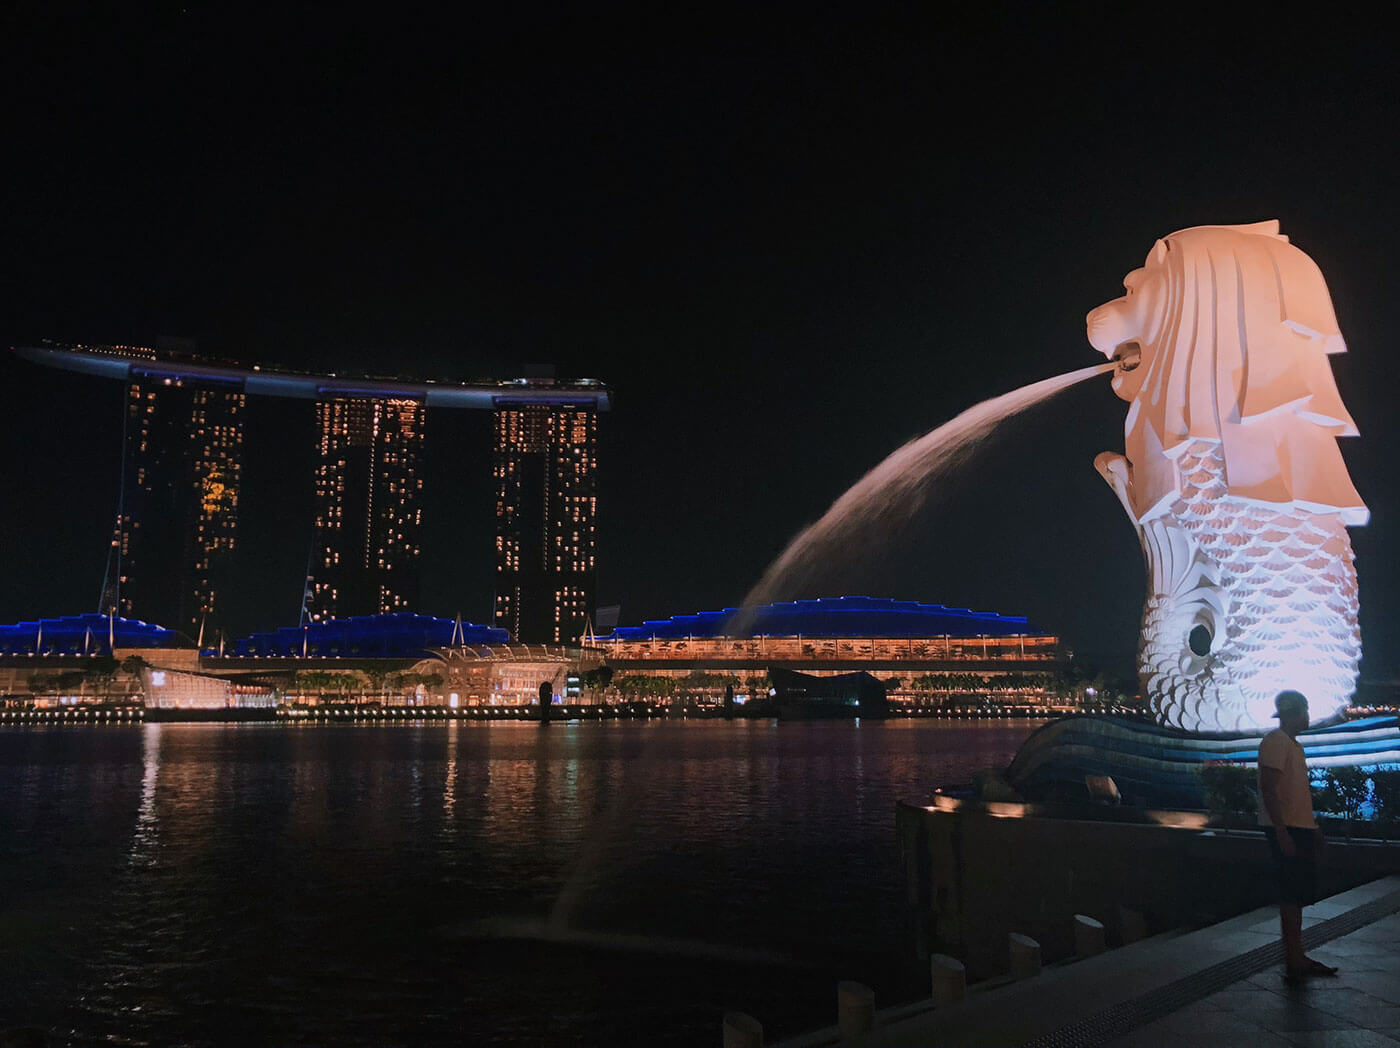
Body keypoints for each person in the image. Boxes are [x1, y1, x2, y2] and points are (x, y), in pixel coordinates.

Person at [1257, 690, 1338, 983]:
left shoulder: (1291, 745)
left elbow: (1291, 794)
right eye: (1305, 710)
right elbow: (1269, 788)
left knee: (1297, 893)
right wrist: (1281, 831)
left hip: (1296, 827)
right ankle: (1294, 956)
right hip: (1288, 828)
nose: (1308, 716)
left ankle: (1297, 954)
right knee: (1291, 893)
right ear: (1296, 712)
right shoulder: (1276, 742)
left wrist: (1312, 828)